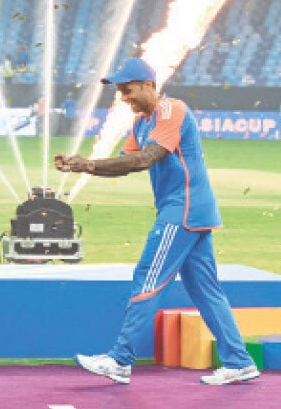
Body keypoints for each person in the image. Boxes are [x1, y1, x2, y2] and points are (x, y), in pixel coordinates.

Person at [55, 57, 261, 386]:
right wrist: (84, 165)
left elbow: (147, 159)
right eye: (121, 92)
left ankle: (120, 360)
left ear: (150, 85)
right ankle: (239, 361)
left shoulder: (171, 110)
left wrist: (88, 165)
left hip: (182, 208)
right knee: (206, 291)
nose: (124, 97)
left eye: (128, 90)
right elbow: (126, 164)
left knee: (147, 277)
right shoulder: (141, 123)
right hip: (190, 209)